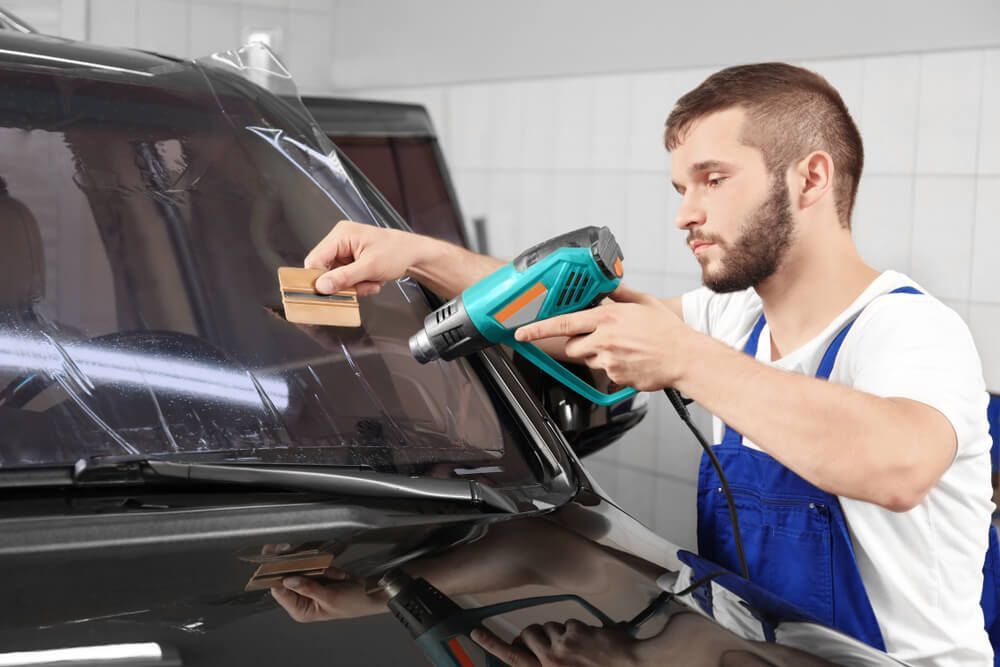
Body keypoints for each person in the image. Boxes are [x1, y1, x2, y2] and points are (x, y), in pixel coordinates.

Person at [288, 63, 997, 666]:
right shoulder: (735, 321)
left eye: (712, 179)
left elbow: (898, 466)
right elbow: (568, 321)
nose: (686, 214)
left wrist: (685, 357)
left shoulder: (909, 328)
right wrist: (417, 254)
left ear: (810, 177)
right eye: (679, 189)